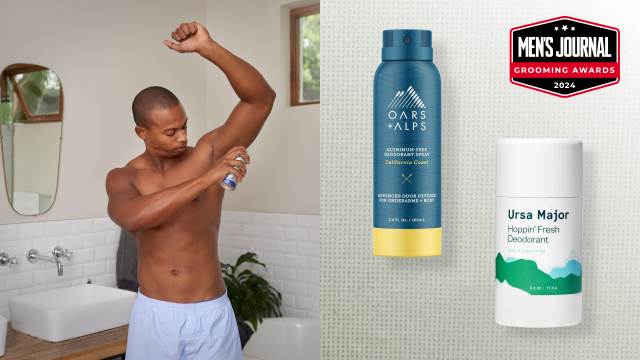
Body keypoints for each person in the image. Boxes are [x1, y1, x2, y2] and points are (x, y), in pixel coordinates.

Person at [105, 21, 275, 360]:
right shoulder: (124, 177)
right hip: (156, 315)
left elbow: (260, 99)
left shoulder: (207, 152)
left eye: (184, 126)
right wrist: (206, 179)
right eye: (170, 132)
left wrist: (208, 48)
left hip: (212, 313)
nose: (182, 137)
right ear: (142, 131)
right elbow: (134, 218)